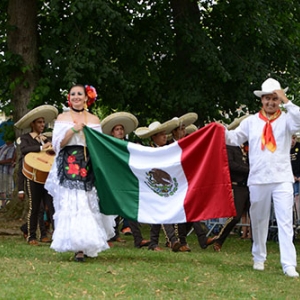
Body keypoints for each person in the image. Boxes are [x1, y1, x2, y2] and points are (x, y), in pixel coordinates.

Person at [225, 78, 300, 277]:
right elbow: (233, 138)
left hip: (282, 177)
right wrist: (217, 131)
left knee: (285, 221)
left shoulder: (286, 119)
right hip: (258, 178)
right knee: (258, 220)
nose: (271, 102)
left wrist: (287, 101)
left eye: (274, 99)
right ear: (262, 100)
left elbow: (299, 120)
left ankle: (288, 264)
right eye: (268, 98)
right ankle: (259, 257)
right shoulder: (250, 122)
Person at [45, 84, 115, 262]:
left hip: (87, 163)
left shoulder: (94, 119)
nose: (76, 97)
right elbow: (57, 144)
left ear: (86, 98)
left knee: (86, 202)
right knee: (71, 201)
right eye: (72, 94)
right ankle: (77, 247)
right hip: (68, 162)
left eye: (79, 94)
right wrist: (73, 130)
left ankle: (86, 244)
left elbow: (99, 145)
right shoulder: (63, 117)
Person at [101, 112, 150, 248]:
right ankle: (109, 236)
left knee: (130, 207)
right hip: (112, 180)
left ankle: (138, 239)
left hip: (126, 179)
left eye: (121, 129)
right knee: (109, 208)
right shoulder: (108, 145)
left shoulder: (129, 145)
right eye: (117, 129)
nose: (120, 131)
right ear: (112, 132)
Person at [135, 120, 181, 252]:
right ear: (153, 137)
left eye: (165, 134)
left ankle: (154, 243)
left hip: (163, 185)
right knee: (162, 212)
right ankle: (172, 240)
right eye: (161, 134)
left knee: (159, 214)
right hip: (152, 185)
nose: (164, 137)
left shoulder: (167, 150)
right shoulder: (148, 150)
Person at [15, 105, 57, 245]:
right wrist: (40, 147)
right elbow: (25, 150)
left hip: (46, 178)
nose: (42, 125)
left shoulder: (45, 139)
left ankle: (55, 236)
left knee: (51, 207)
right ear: (32, 124)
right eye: (39, 122)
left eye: (43, 122)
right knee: (35, 208)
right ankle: (31, 236)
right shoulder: (25, 138)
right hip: (32, 178)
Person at [210, 142, 251, 252]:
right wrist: (249, 169)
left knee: (255, 215)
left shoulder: (249, 146)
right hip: (237, 185)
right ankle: (219, 239)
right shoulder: (230, 147)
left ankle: (257, 244)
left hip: (250, 185)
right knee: (235, 216)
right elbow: (231, 164)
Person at [0, 127, 16, 209]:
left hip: (7, 171)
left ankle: (11, 205)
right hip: (1, 171)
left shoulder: (12, 147)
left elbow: (10, 160)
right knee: (1, 189)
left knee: (9, 190)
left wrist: (0, 162)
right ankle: (3, 205)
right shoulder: (4, 146)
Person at [290, 134, 300, 218]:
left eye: (294, 138)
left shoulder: (299, 147)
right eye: (291, 138)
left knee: (298, 197)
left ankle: (299, 219)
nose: (292, 141)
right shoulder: (284, 148)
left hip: (298, 176)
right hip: (289, 177)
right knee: (290, 198)